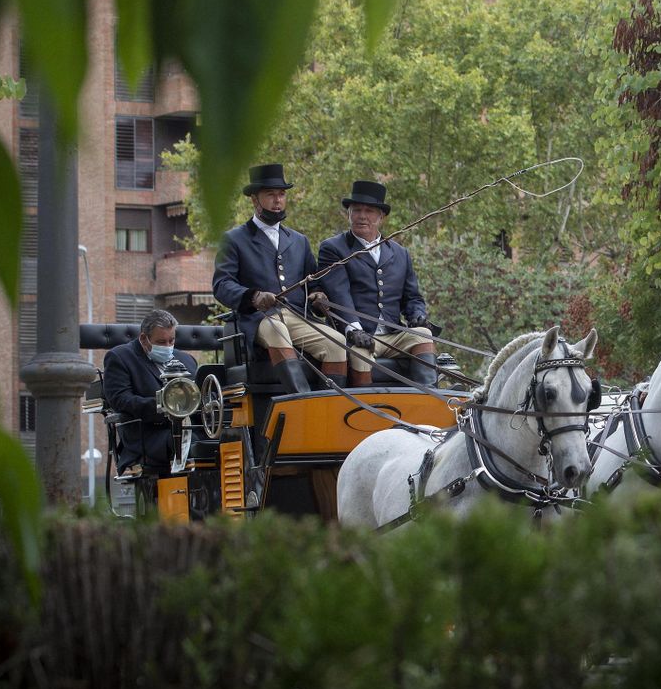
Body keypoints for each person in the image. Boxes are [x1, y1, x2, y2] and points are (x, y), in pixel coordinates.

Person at [212, 163, 347, 393]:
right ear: (255, 200)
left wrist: (317, 294)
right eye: (271, 195)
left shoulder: (299, 240)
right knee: (278, 330)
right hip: (259, 319)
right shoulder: (234, 239)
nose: (278, 200)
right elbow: (221, 285)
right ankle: (303, 404)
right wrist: (253, 296)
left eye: (282, 194)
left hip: (296, 315)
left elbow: (311, 281)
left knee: (338, 343)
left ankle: (329, 408)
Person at [317, 179, 438, 389]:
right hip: (357, 335)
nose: (362, 216)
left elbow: (412, 297)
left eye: (369, 211)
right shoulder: (333, 248)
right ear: (349, 214)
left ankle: (429, 402)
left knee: (423, 337)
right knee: (360, 352)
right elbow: (339, 293)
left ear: (381, 217)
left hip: (393, 335)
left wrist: (418, 316)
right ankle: (365, 413)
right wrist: (353, 329)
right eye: (356, 210)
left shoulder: (400, 254)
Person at [102, 308, 198, 477]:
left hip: (189, 428)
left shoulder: (186, 360)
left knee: (226, 441)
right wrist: (164, 406)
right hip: (149, 435)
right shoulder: (120, 357)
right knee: (193, 444)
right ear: (143, 339)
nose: (168, 347)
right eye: (161, 342)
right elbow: (120, 400)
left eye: (172, 340)